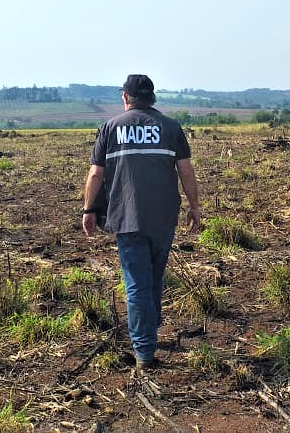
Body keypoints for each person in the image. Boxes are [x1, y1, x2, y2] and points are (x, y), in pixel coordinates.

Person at [82, 74, 201, 370]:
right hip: (163, 218)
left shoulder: (110, 128)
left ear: (125, 97)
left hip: (126, 217)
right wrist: (195, 207)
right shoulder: (170, 127)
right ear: (152, 98)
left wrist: (88, 210)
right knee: (153, 277)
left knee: (136, 284)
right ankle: (149, 328)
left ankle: (144, 352)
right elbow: (185, 170)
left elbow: (96, 174)